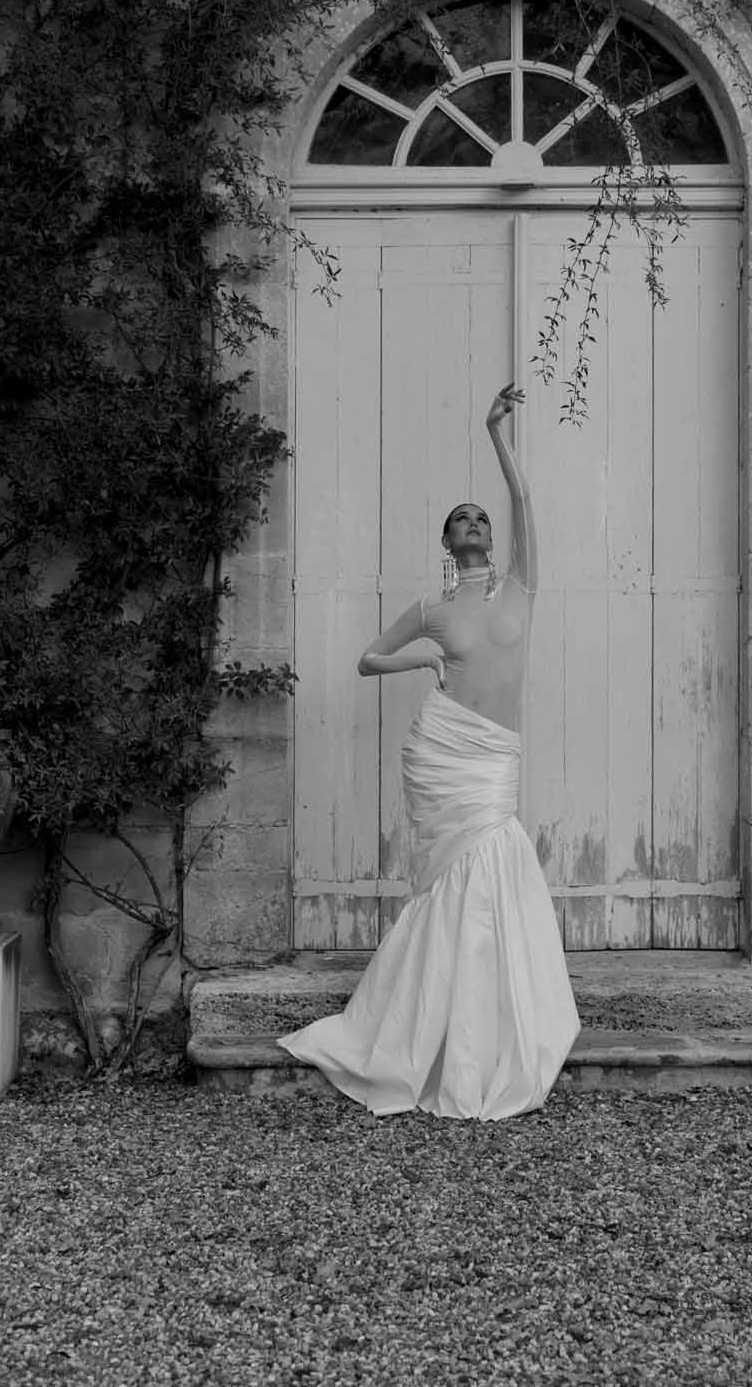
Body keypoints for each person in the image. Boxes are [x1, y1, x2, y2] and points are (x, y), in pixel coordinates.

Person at [277, 382, 580, 1118]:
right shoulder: (431, 610)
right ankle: (431, 1021)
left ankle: (486, 1020)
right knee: (454, 877)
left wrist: (494, 434)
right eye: (459, 520)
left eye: (479, 516)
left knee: (491, 863)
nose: (474, 522)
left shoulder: (518, 589)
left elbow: (526, 507)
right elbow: (365, 660)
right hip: (442, 747)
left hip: (492, 753)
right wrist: (420, 662)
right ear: (446, 543)